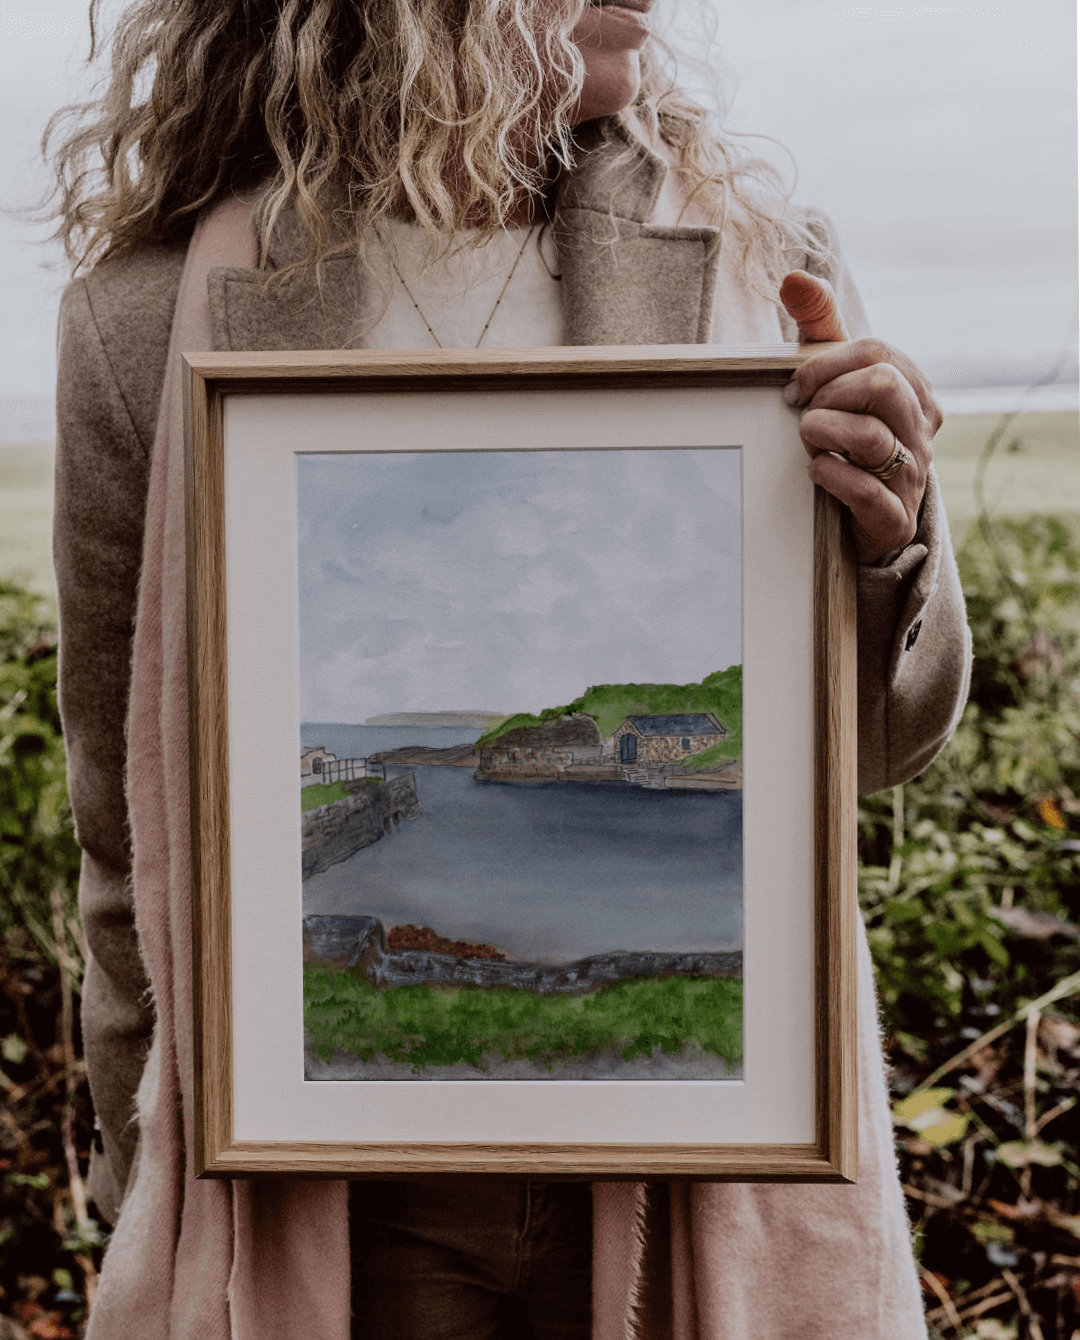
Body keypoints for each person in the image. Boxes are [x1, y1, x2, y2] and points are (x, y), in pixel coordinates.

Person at [48, 0, 971, 1335]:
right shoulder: (139, 325)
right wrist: (164, 1193)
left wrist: (891, 548)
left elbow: (881, 751)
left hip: (701, 1173)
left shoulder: (767, 267)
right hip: (340, 1208)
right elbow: (127, 857)